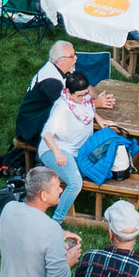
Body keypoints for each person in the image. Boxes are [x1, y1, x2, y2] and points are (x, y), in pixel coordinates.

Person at [14, 41, 114, 145]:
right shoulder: (51, 81)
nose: (76, 58)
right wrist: (96, 103)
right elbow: (71, 109)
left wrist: (98, 97)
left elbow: (85, 88)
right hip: (32, 129)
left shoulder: (61, 69)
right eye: (72, 56)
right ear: (60, 61)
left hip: (43, 119)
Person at [38, 69, 98, 224]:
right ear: (69, 92)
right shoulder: (62, 108)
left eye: (86, 93)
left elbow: (89, 110)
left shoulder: (83, 99)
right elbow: (46, 133)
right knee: (75, 183)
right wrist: (57, 152)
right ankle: (56, 221)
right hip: (57, 150)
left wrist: (100, 119)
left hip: (79, 150)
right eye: (80, 95)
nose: (85, 97)